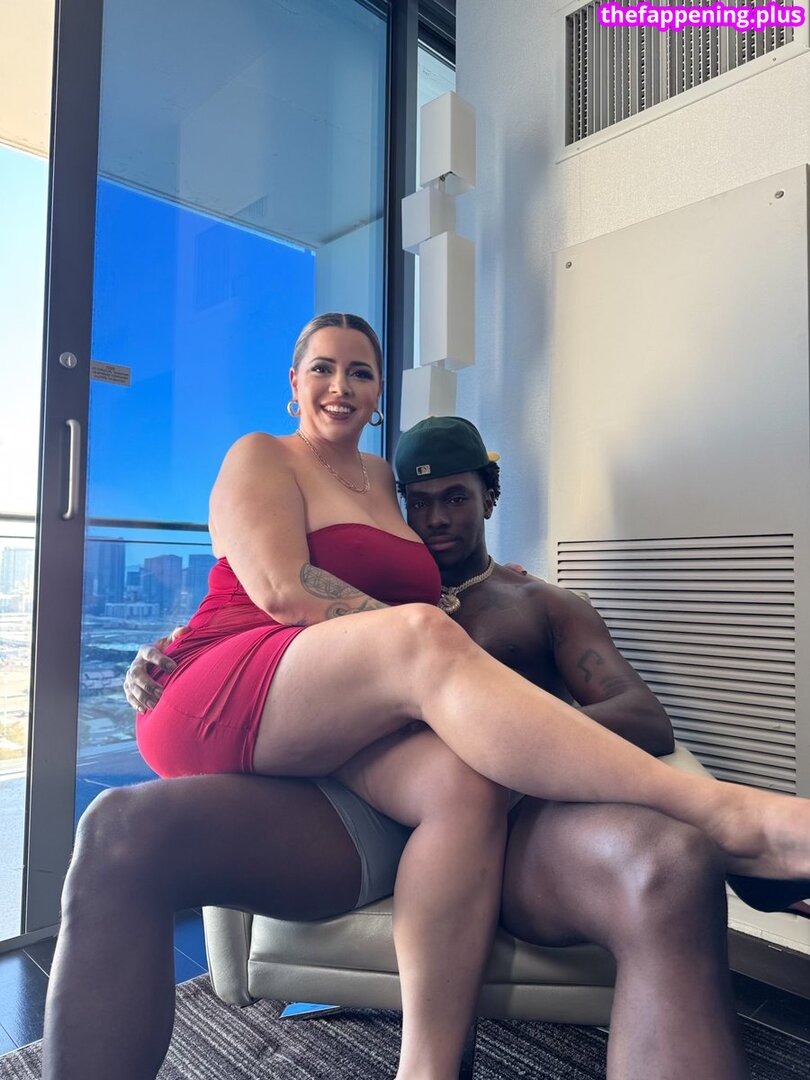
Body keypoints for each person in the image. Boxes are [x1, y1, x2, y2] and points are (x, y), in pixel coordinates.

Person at [44, 315, 810, 1080]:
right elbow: (275, 587)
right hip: (280, 692)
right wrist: (175, 642)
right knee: (419, 647)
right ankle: (732, 819)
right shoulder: (283, 475)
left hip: (407, 755)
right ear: (293, 384)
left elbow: (633, 710)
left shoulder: (479, 559)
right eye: (322, 368)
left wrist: (509, 714)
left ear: (488, 496)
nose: (437, 519)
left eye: (360, 372)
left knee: (463, 776)